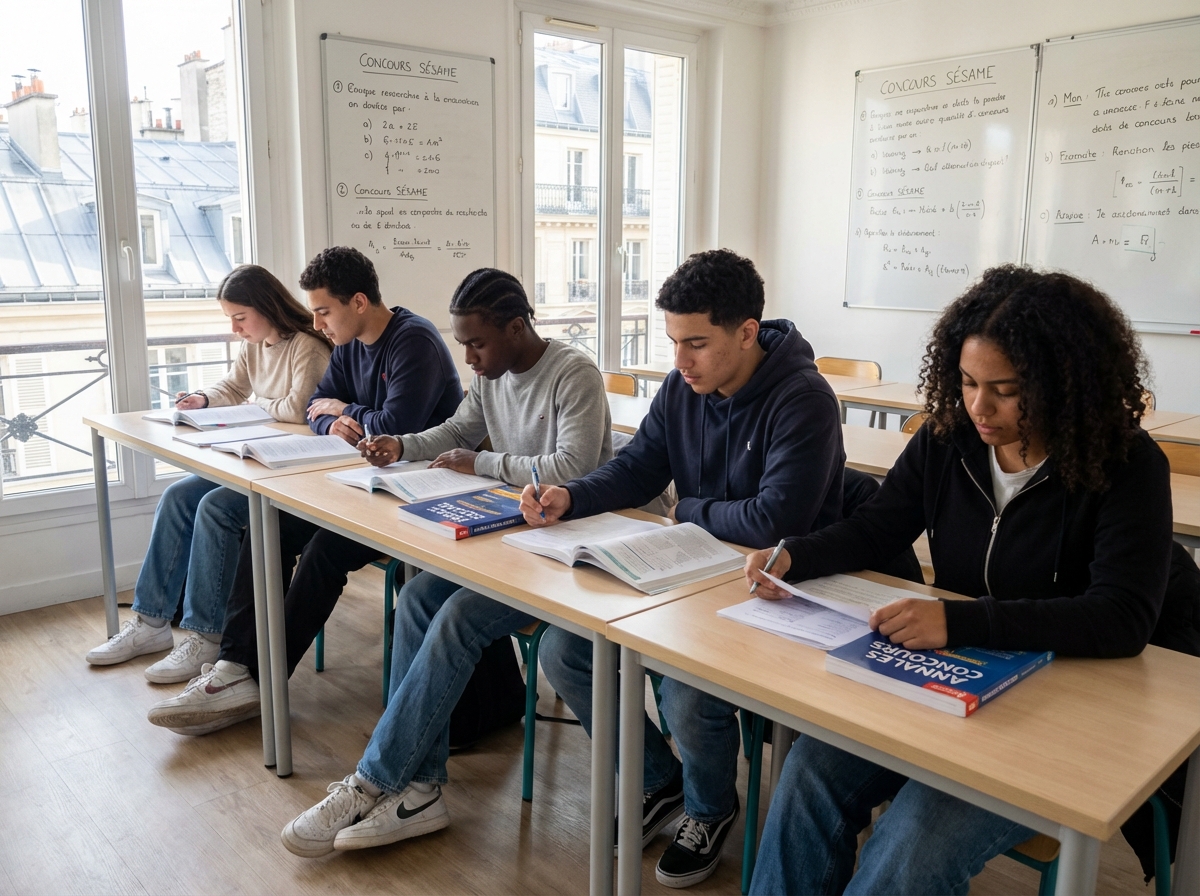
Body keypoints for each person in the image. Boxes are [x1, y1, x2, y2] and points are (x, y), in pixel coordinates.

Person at [744, 265, 1176, 896]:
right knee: (808, 771)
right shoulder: (950, 439)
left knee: (910, 850)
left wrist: (960, 620)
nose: (979, 406)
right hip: (952, 678)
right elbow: (879, 526)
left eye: (1005, 389)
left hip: (1058, 707)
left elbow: (1122, 616)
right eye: (969, 383)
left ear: (1064, 383)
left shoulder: (1127, 464)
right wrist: (794, 555)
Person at [521, 249, 845, 888]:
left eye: (695, 343)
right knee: (565, 652)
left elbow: (776, 520)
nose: (679, 361)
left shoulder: (803, 398)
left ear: (747, 332)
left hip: (776, 585)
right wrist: (574, 496)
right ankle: (659, 781)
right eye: (672, 342)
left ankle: (710, 808)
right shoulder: (682, 387)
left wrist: (688, 507)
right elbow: (641, 466)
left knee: (686, 682)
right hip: (692, 571)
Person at [277, 268, 613, 856]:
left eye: (477, 343)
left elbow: (573, 467)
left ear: (517, 327)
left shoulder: (572, 372)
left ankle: (375, 780)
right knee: (417, 597)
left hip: (570, 542)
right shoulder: (490, 374)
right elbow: (462, 428)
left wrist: (480, 465)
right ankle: (423, 787)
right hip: (513, 531)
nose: (469, 357)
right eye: (462, 343)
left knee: (455, 617)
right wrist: (405, 446)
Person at [145, 246, 462, 733]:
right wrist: (338, 416)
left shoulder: (413, 340)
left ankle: (260, 678)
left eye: (323, 311)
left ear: (358, 302)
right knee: (264, 525)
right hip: (359, 481)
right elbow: (314, 408)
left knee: (322, 553)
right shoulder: (351, 342)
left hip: (414, 493)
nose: (317, 324)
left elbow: (399, 428)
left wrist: (345, 413)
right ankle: (233, 665)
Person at [85, 264, 331, 682]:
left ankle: (207, 635)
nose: (236, 329)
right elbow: (234, 388)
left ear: (266, 306)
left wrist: (249, 410)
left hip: (289, 470)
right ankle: (151, 623)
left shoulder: (307, 345)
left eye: (240, 317)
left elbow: (297, 407)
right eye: (230, 319)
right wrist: (203, 398)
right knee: (178, 497)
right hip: (256, 456)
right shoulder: (255, 344)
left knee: (214, 508)